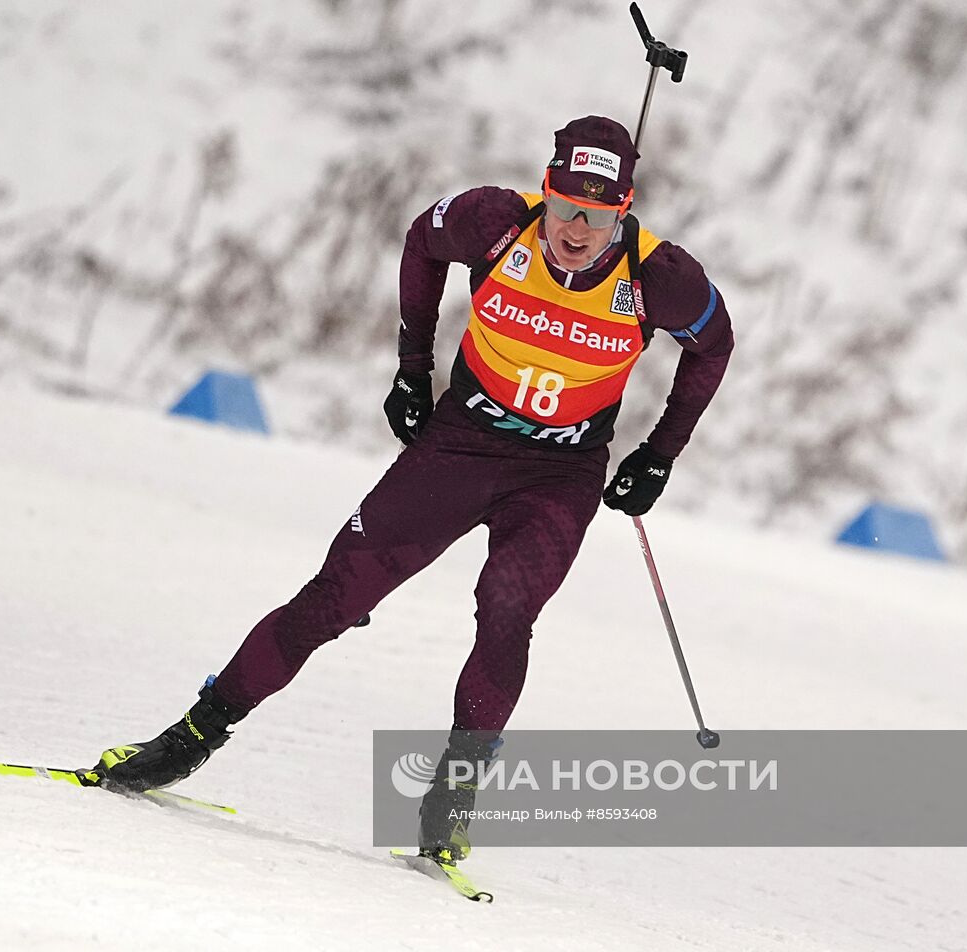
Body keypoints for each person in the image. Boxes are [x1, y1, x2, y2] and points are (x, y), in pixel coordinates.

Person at [89, 116, 734, 864]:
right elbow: (420, 245)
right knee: (335, 595)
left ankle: (454, 796)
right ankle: (191, 735)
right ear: (544, 193)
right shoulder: (493, 223)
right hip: (461, 444)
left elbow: (712, 347)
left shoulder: (659, 277)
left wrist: (658, 453)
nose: (577, 230)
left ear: (623, 212)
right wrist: (410, 365)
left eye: (598, 214)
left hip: (558, 474)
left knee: (506, 609)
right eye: (564, 207)